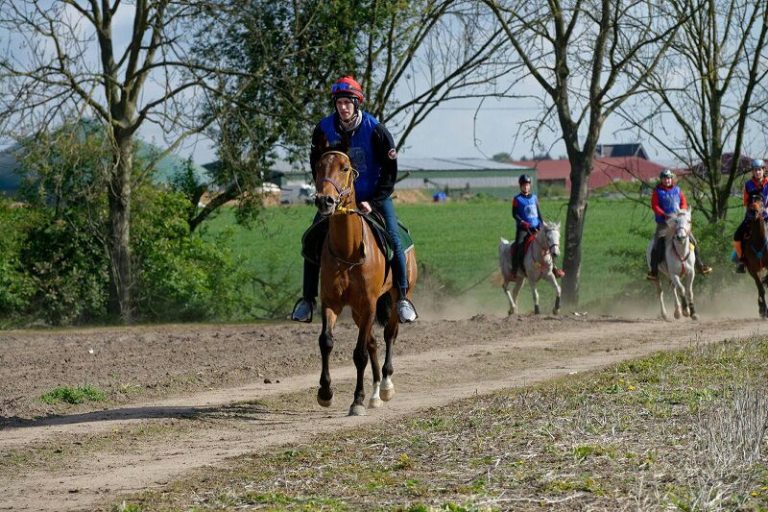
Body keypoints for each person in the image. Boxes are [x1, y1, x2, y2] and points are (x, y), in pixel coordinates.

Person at [291, 75, 418, 324]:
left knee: (393, 236)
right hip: (337, 200)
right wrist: (325, 189)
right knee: (312, 237)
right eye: (339, 103)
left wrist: (375, 199)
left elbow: (390, 171)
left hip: (374, 197)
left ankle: (401, 297)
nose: (343, 107)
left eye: (348, 102)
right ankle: (307, 300)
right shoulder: (323, 129)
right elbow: (317, 163)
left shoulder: (376, 130)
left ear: (356, 103)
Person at [646, 169, 712, 280]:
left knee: (693, 241)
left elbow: (683, 202)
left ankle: (700, 265)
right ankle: (653, 271)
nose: (667, 180)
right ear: (661, 179)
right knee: (656, 245)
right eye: (665, 178)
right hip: (664, 223)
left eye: (669, 178)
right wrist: (664, 214)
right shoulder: (657, 192)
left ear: (671, 179)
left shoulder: (677, 190)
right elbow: (655, 206)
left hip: (678, 222)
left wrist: (683, 211)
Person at [510, 174, 565, 279]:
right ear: (520, 186)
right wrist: (522, 222)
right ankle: (515, 270)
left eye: (527, 185)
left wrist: (542, 222)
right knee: (518, 246)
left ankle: (554, 268)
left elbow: (538, 213)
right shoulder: (517, 199)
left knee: (549, 244)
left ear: (530, 186)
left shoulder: (534, 197)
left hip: (536, 227)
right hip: (523, 229)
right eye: (524, 185)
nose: (526, 187)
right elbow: (514, 214)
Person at [732, 158, 768, 273]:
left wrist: (766, 210)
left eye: (760, 170)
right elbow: (746, 202)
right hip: (752, 216)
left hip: (767, 214)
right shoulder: (748, 185)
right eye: (755, 170)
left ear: (763, 170)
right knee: (737, 236)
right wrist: (751, 213)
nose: (758, 172)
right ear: (752, 172)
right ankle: (742, 261)